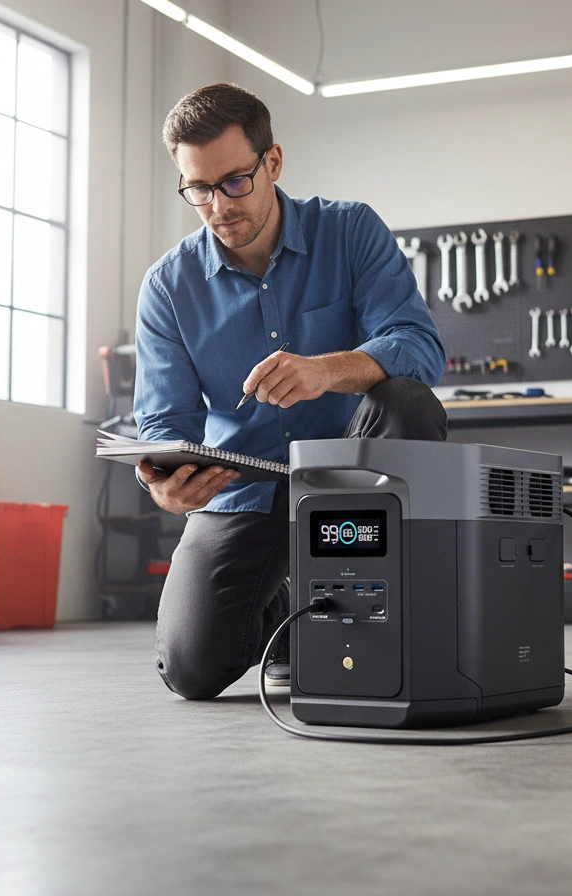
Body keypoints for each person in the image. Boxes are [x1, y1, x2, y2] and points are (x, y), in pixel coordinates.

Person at [134, 82, 448, 700]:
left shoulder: (350, 231)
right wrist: (162, 482)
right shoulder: (168, 287)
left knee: (408, 402)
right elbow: (163, 424)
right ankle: (284, 608)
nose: (218, 206)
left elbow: (420, 346)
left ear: (272, 162)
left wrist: (327, 370)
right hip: (244, 494)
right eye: (197, 189)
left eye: (233, 181)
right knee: (191, 670)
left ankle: (384, 615)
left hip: (351, 480)